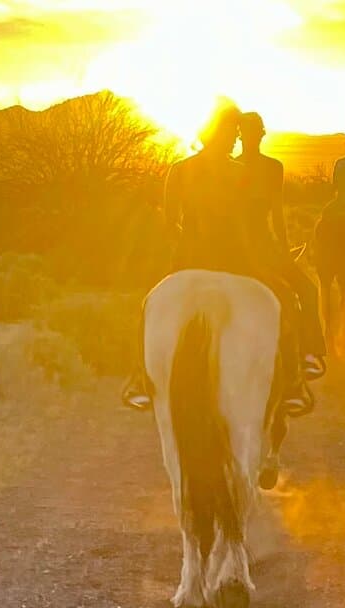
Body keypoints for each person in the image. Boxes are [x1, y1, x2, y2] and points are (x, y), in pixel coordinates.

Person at [122, 102, 318, 413]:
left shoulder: (180, 169)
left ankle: (140, 379)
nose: (237, 139)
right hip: (235, 257)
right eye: (233, 133)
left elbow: (169, 221)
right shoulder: (239, 172)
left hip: (190, 257)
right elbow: (245, 220)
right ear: (220, 133)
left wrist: (185, 241)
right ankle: (293, 383)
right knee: (283, 301)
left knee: (150, 306)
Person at [237, 112, 327, 380]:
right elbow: (276, 215)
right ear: (262, 134)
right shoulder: (273, 167)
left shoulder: (231, 165)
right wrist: (284, 251)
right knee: (308, 291)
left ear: (241, 135)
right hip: (262, 242)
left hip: (234, 240)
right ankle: (309, 354)